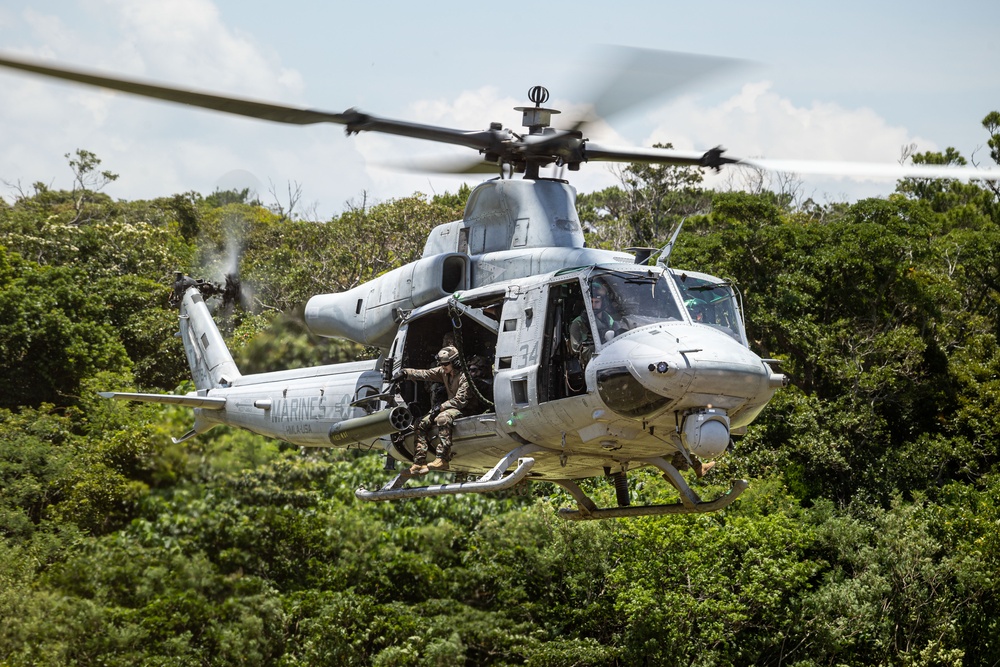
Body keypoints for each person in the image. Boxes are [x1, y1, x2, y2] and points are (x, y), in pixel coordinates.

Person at [393, 346, 478, 475]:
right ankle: (419, 462)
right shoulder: (444, 372)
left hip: (466, 409)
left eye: (446, 364)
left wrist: (441, 407)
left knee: (443, 418)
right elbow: (426, 374)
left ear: (455, 362)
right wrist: (405, 373)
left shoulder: (465, 376)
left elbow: (461, 400)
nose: (443, 366)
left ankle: (443, 459)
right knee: (421, 423)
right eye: (441, 364)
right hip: (449, 407)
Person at [569, 281, 621, 366]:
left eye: (597, 302)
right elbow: (576, 351)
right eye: (591, 302)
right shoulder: (578, 323)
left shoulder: (610, 320)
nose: (593, 305)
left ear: (603, 302)